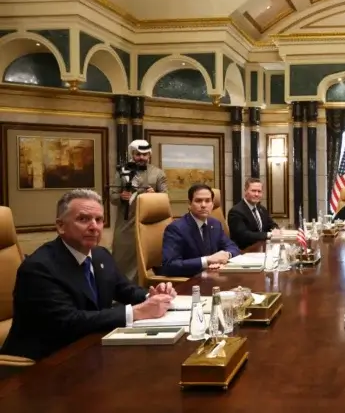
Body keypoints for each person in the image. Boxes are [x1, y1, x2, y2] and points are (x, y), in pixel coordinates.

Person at [2, 189, 175, 361]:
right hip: (42, 364)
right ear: (60, 226)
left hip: (88, 349)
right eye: (83, 219)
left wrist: (152, 295)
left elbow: (124, 289)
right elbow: (69, 321)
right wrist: (135, 312)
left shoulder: (100, 255)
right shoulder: (39, 268)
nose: (94, 227)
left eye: (99, 220)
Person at [110, 139, 167, 282]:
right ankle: (121, 290)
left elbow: (165, 198)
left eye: (145, 154)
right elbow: (112, 196)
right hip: (126, 222)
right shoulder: (122, 172)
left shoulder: (158, 173)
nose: (141, 157)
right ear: (132, 154)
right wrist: (122, 197)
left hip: (149, 224)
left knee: (148, 256)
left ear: (149, 155)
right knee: (122, 255)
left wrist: (155, 195)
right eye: (138, 154)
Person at [160, 184, 240, 278]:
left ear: (213, 204)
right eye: (198, 201)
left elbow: (233, 247)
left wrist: (226, 255)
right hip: (189, 282)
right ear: (189, 204)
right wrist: (207, 261)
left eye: (207, 201)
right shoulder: (176, 228)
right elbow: (170, 265)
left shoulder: (215, 224)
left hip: (212, 276)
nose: (203, 205)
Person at [228, 178, 280, 249]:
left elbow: (271, 224)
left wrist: (276, 229)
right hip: (244, 252)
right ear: (245, 191)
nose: (256, 194)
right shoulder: (236, 211)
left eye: (259, 191)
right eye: (253, 191)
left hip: (262, 248)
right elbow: (243, 235)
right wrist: (268, 234)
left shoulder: (261, 209)